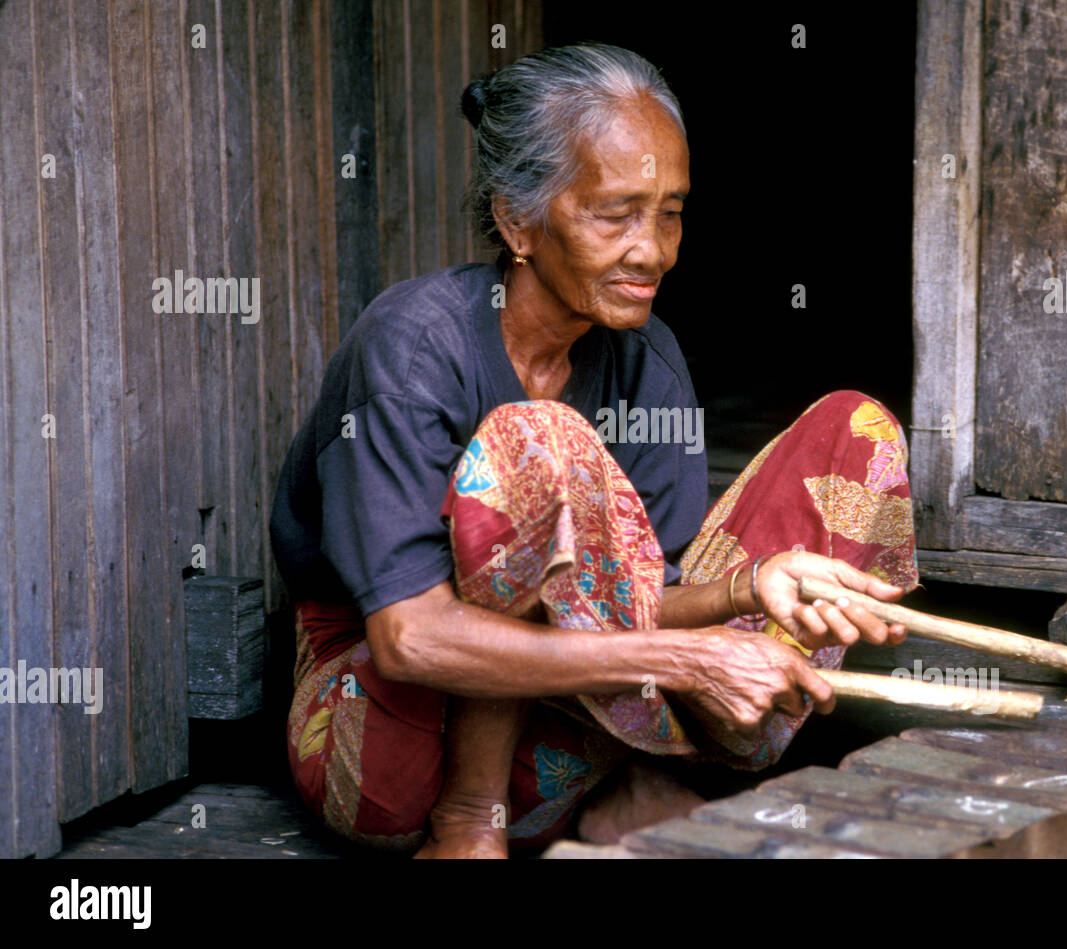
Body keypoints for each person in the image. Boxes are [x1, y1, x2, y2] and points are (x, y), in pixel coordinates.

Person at [270, 42, 919, 859]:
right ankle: (474, 825)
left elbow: (634, 598)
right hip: (388, 750)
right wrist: (686, 658)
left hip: (556, 741)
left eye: (672, 211)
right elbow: (409, 636)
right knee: (534, 440)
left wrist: (746, 589)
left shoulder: (647, 357)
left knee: (854, 433)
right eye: (616, 213)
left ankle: (608, 787)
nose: (653, 251)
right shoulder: (412, 348)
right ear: (517, 220)